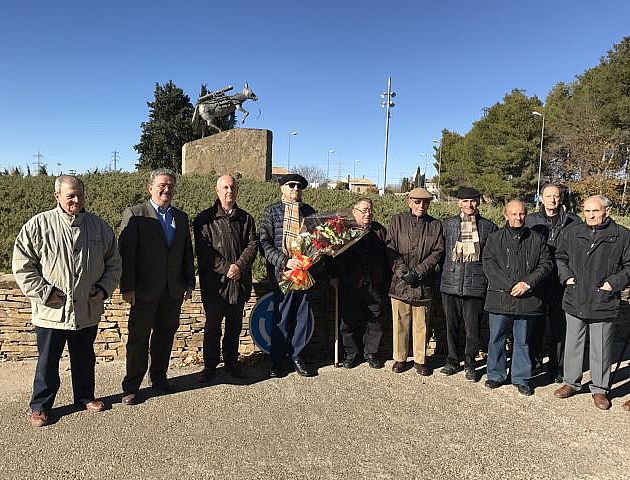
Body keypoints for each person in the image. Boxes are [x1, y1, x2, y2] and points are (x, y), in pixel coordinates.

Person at [12, 175, 121, 427]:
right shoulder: (38, 225)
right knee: (47, 362)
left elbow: (114, 263)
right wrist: (44, 292)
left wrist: (104, 288)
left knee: (84, 357)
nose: (76, 199)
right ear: (57, 196)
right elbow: (22, 265)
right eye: (70, 195)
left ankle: (84, 397)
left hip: (86, 308)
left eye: (80, 194)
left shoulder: (99, 227)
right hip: (52, 311)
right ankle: (40, 406)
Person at [118, 168, 195, 405]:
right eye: (162, 185)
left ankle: (159, 379)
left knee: (165, 335)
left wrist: (189, 282)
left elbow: (186, 252)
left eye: (171, 185)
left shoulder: (180, 217)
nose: (167, 189)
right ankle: (131, 386)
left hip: (172, 290)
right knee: (138, 338)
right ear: (150, 188)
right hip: (144, 290)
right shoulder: (135, 213)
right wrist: (127, 287)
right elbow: (126, 254)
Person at [554, 195, 630, 410]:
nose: (590, 215)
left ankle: (599, 389)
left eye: (595, 211)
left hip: (602, 299)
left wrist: (612, 284)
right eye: (586, 211)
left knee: (601, 348)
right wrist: (566, 277)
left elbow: (629, 266)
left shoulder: (622, 236)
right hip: (575, 296)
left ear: (607, 211)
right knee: (573, 344)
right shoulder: (573, 232)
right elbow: (560, 256)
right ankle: (571, 383)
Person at [482, 200, 552, 396]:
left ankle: (521, 378)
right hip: (500, 298)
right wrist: (509, 285)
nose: (518, 218)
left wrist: (526, 284)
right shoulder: (494, 238)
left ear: (526, 215)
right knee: (496, 338)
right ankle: (495, 375)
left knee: (524, 341)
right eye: (513, 214)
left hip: (527, 299)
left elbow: (545, 265)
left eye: (521, 214)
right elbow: (489, 265)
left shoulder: (537, 239)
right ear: (505, 215)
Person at [193, 175, 258, 381]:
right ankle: (210, 366)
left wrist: (239, 266)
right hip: (215, 285)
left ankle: (231, 362)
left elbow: (252, 244)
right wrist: (226, 268)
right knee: (212, 327)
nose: (229, 190)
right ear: (217, 191)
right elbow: (204, 251)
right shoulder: (204, 219)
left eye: (232, 187)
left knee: (234, 325)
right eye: (225, 187)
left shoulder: (246, 218)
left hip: (238, 282)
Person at [259, 173, 319, 378]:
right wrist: (285, 261)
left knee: (302, 317)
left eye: (299, 186)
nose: (296, 189)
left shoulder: (310, 213)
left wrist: (311, 259)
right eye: (291, 185)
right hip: (282, 274)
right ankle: (277, 360)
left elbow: (318, 242)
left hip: (304, 274)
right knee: (281, 318)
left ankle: (297, 356)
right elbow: (264, 243)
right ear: (282, 188)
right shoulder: (272, 212)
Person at [440, 187, 497, 381]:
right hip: (451, 282)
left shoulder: (489, 227)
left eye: (472, 201)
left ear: (478, 202)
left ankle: (471, 364)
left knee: (473, 329)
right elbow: (440, 254)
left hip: (476, 284)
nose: (469, 205)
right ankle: (452, 361)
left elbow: (491, 258)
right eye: (465, 201)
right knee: (451, 326)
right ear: (458, 203)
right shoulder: (447, 225)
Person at [525, 184, 581, 382]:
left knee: (560, 325)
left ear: (561, 198)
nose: (552, 200)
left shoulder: (574, 221)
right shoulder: (531, 220)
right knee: (535, 323)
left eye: (556, 196)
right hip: (538, 279)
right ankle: (534, 361)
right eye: (548, 196)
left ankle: (557, 365)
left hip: (562, 280)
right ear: (541, 198)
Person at [386, 187, 444, 376]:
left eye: (425, 202)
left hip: (423, 283)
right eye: (417, 202)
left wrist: (419, 271)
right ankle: (400, 358)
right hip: (400, 282)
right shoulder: (397, 221)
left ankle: (420, 359)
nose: (422, 205)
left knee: (422, 324)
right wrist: (403, 271)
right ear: (409, 201)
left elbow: (437, 251)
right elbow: (390, 248)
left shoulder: (435, 225)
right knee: (400, 322)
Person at [333, 198, 388, 369]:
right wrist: (333, 276)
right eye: (364, 210)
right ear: (354, 211)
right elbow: (331, 256)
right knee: (348, 320)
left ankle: (371, 353)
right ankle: (351, 353)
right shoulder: (343, 230)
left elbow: (388, 255)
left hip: (373, 283)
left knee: (375, 321)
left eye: (370, 210)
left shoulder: (379, 230)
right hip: (350, 283)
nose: (368, 213)